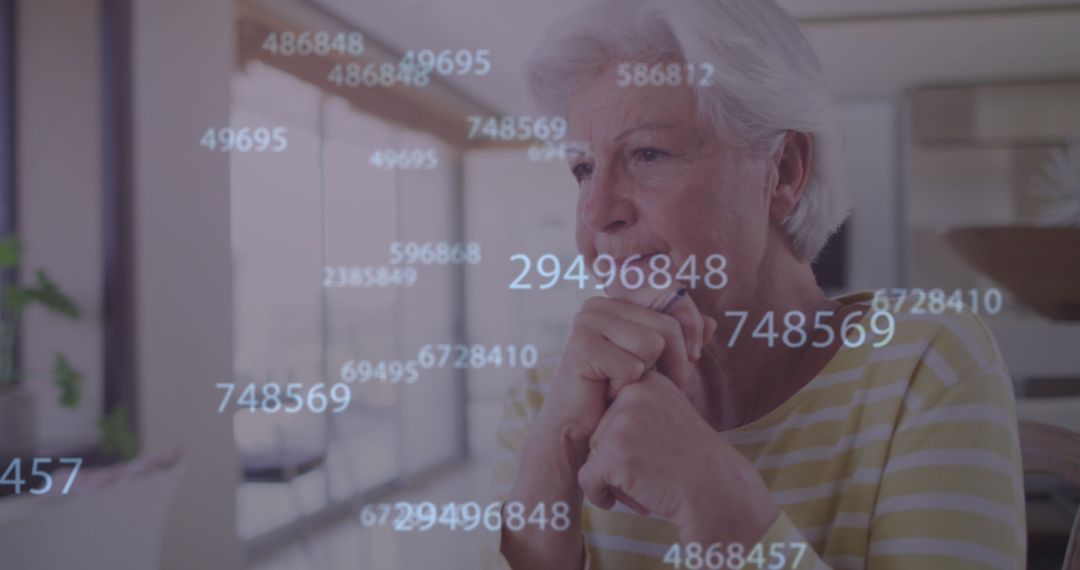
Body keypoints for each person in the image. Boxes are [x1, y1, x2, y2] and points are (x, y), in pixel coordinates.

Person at [487, 0, 1025, 568]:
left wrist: (721, 505)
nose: (596, 212)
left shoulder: (923, 364)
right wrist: (555, 455)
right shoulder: (548, 394)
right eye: (583, 168)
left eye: (647, 154)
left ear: (784, 170)